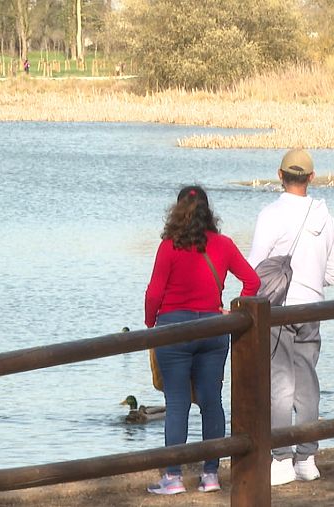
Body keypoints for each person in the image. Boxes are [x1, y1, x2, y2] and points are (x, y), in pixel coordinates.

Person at [144, 185, 260, 495]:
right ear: (209, 212)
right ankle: (210, 475)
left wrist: (150, 326)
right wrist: (232, 310)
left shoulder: (169, 246)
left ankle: (173, 477)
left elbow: (154, 293)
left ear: (176, 211)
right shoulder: (223, 244)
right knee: (211, 403)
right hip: (213, 328)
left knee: (178, 403)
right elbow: (252, 281)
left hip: (173, 330)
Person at [247, 148, 334, 486]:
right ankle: (308, 457)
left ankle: (282, 459)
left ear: (280, 175)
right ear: (312, 178)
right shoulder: (324, 216)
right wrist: (312, 278)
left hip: (279, 307)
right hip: (313, 307)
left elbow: (255, 269)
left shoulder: (270, 214)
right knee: (307, 380)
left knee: (280, 383)